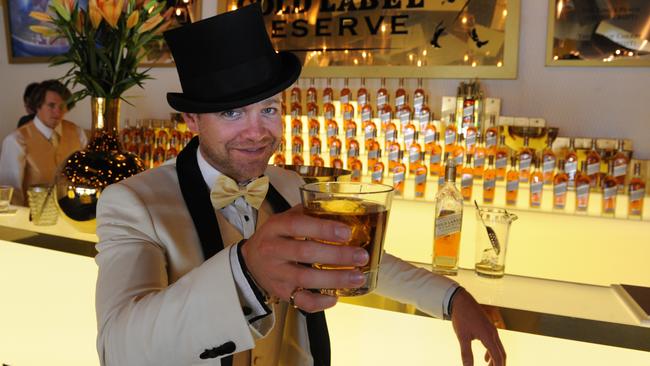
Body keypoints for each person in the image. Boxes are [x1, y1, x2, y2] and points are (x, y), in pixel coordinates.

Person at [94, 4, 505, 366]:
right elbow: (119, 348)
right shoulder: (132, 203)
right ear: (191, 121)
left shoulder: (289, 186)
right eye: (233, 113)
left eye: (269, 109)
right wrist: (247, 273)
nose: (257, 132)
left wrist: (453, 299)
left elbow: (358, 260)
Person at [0, 80, 87, 206]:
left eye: (62, 106)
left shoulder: (78, 133)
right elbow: (12, 195)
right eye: (51, 105)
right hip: (33, 219)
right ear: (38, 105)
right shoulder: (16, 141)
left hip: (72, 214)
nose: (57, 112)